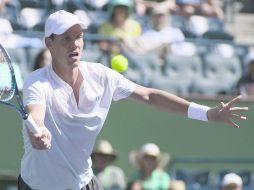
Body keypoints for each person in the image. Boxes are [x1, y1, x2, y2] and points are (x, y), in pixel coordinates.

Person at [19, 9, 248, 190]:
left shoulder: (101, 76)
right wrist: (38, 130)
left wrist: (206, 113)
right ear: (49, 43)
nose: (75, 44)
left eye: (78, 37)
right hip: (39, 186)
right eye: (66, 38)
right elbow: (35, 112)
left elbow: (150, 96)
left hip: (83, 182)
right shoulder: (37, 82)